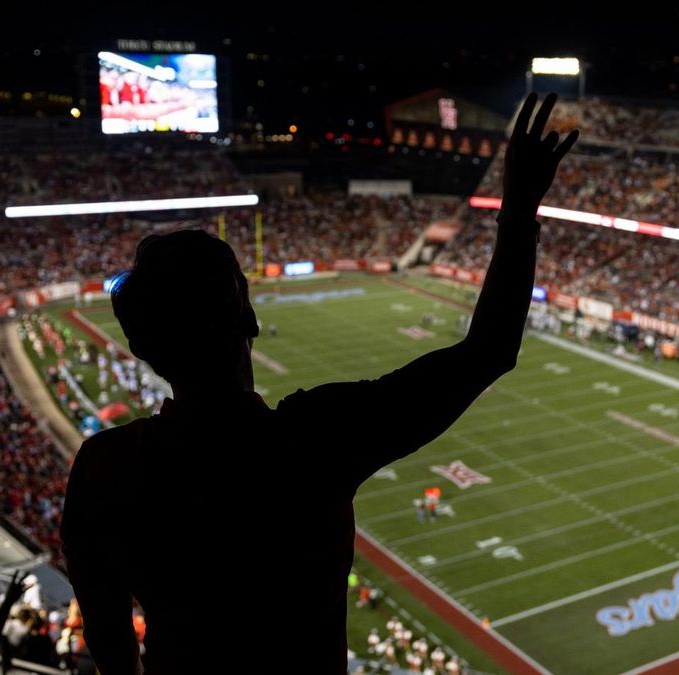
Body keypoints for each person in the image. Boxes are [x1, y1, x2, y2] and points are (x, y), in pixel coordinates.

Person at [60, 92, 579, 675]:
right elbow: (489, 350)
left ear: (142, 350)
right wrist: (519, 209)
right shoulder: (313, 438)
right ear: (251, 321)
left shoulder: (104, 467)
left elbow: (106, 628)